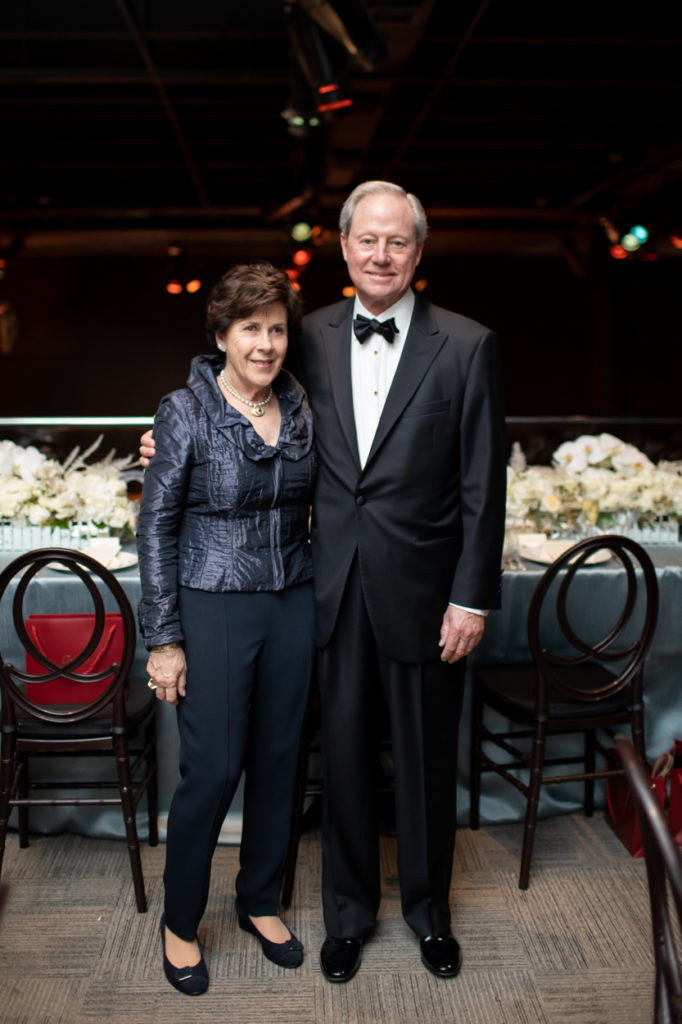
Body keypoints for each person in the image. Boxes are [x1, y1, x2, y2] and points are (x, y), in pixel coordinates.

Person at [140, 181, 506, 984]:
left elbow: (483, 482)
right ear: (343, 248)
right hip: (327, 591)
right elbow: (231, 375)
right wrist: (166, 437)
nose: (381, 255)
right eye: (366, 240)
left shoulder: (469, 345)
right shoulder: (306, 335)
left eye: (397, 242)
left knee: (417, 762)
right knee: (336, 761)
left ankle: (428, 914)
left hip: (414, 590)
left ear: (418, 251)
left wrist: (473, 594)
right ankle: (346, 917)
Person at [136, 261, 316, 996]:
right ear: (222, 335)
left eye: (276, 329)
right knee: (213, 769)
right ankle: (181, 923)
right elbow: (156, 526)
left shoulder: (303, 407)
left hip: (293, 600)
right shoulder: (184, 411)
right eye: (251, 329)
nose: (266, 344)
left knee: (280, 761)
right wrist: (164, 638)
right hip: (211, 600)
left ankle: (259, 901)